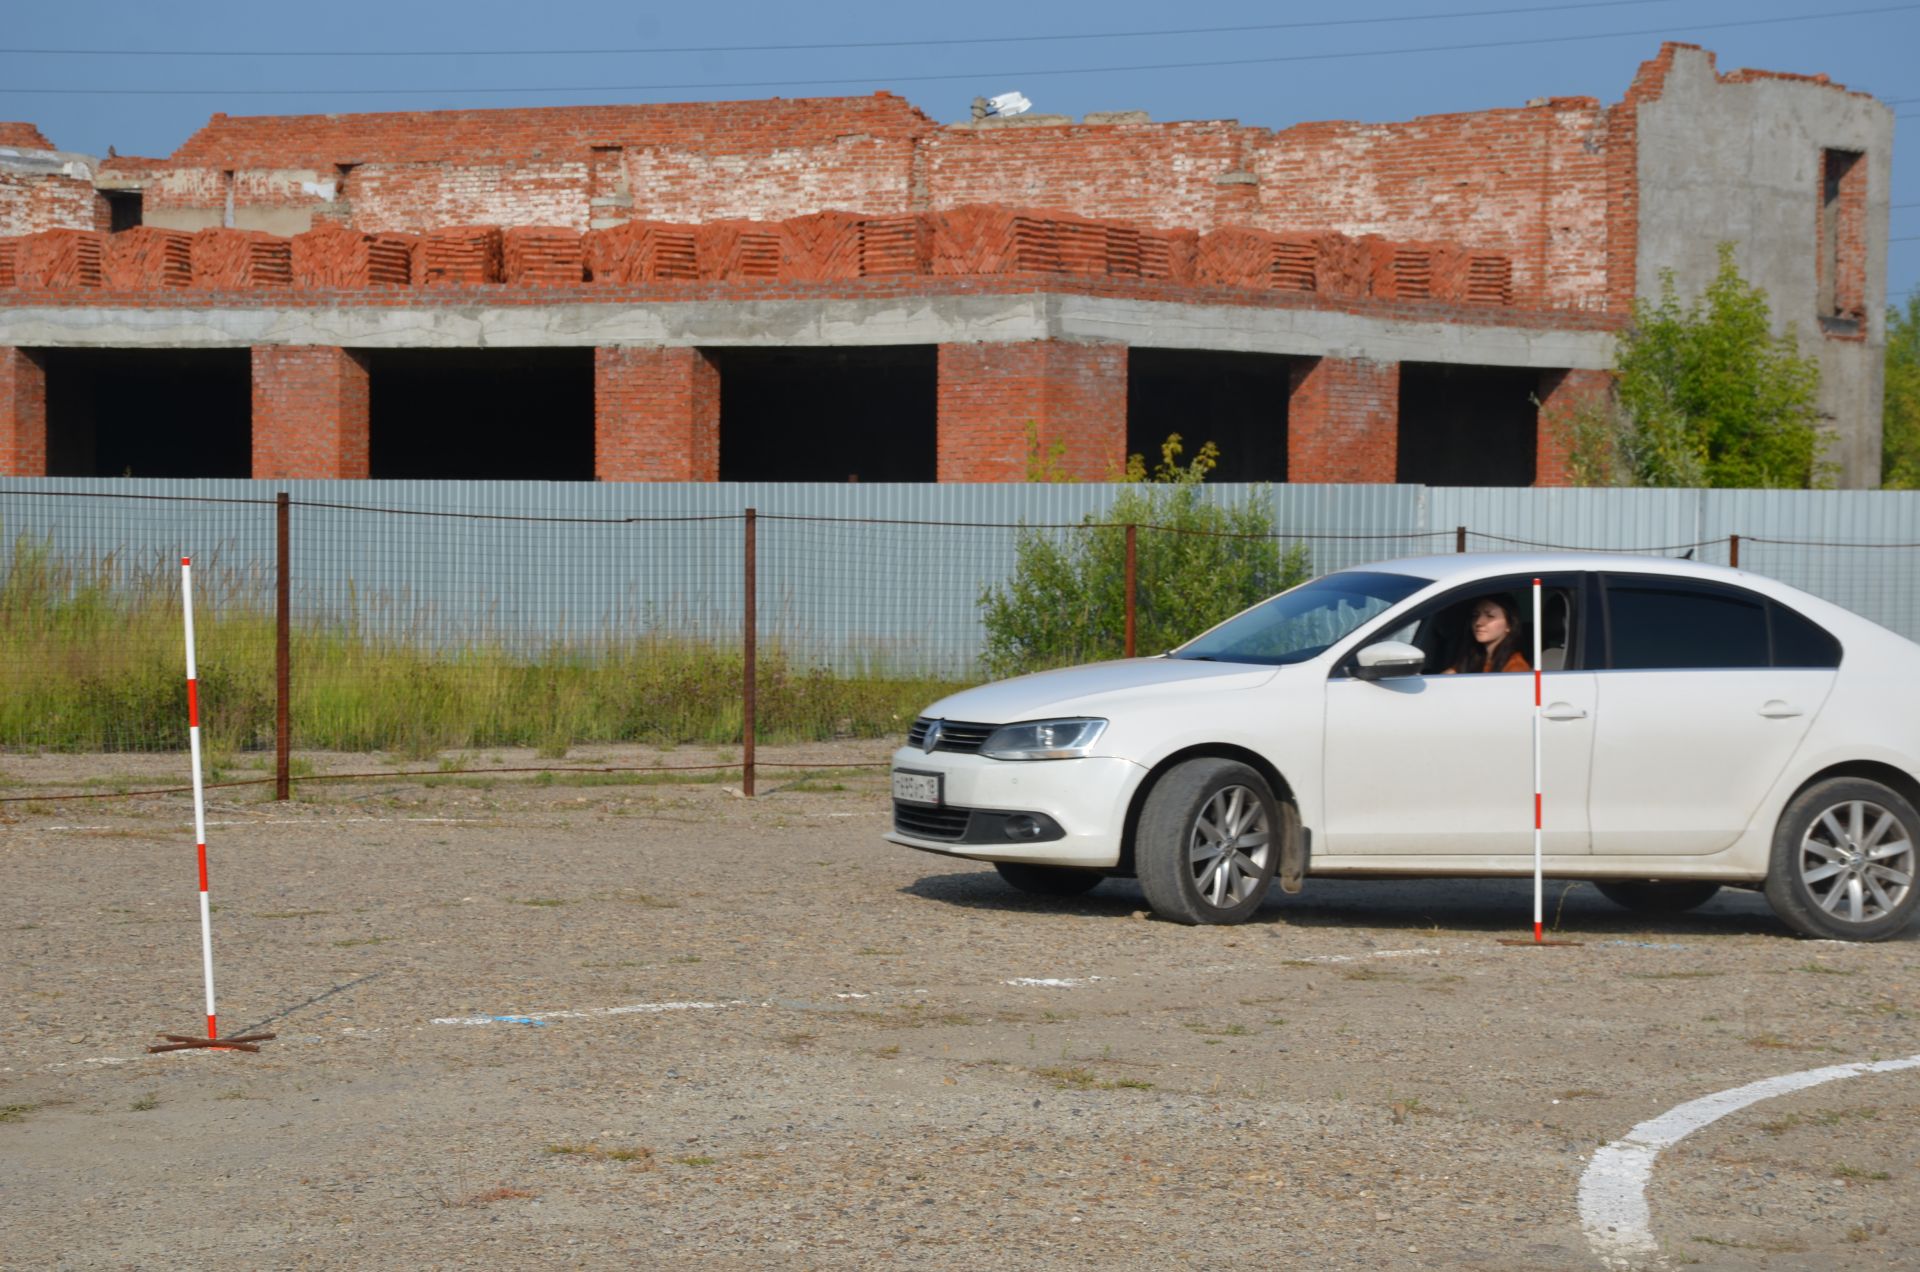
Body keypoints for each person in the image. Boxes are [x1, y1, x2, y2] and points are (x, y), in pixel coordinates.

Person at [1446, 594, 1530, 674]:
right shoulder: (1473, 658)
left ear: (1509, 625)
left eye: (1490, 616)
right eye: (1475, 615)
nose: (1478, 622)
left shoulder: (1515, 666)